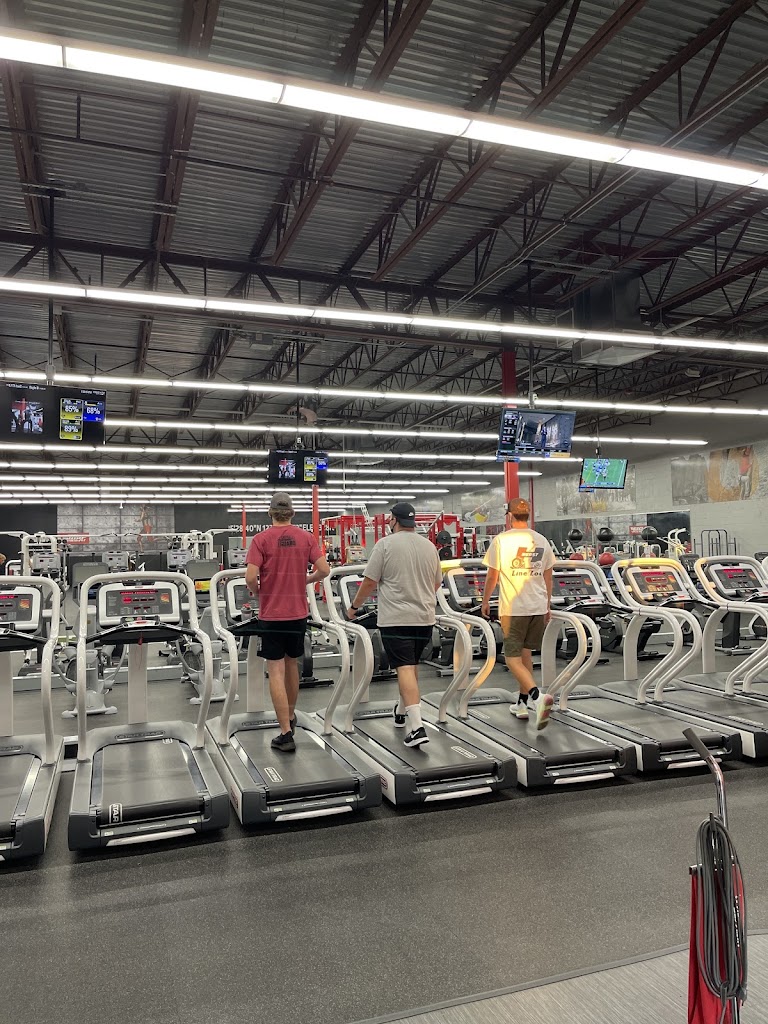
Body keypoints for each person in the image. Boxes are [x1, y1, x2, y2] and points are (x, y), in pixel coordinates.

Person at [346, 501, 442, 749]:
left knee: (405, 668)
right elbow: (436, 583)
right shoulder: (429, 546)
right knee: (410, 665)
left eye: (390, 518)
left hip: (396, 619)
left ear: (394, 520)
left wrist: (353, 607)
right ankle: (401, 712)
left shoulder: (385, 544)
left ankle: (417, 727)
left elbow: (369, 581)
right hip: (424, 618)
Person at [245, 492, 330, 752]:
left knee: (276, 670)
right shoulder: (306, 538)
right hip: (297, 614)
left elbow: (250, 577)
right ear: (292, 513)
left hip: (272, 615)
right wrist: (305, 580)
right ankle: (290, 716)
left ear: (270, 513)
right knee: (292, 664)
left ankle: (285, 732)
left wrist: (258, 591)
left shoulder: (261, 539)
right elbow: (325, 570)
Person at [480, 497, 556, 730]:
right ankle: (522, 704)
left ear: (510, 516)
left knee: (511, 658)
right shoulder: (541, 540)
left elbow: (492, 576)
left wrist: (485, 600)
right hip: (537, 606)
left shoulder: (501, 541)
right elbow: (548, 577)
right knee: (525, 656)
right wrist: (547, 605)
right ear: (528, 515)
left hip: (514, 608)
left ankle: (537, 697)